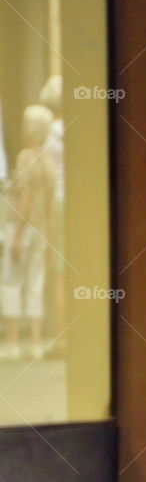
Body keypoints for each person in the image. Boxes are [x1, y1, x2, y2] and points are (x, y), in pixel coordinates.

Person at [0, 104, 56, 361]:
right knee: (36, 282)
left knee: (11, 281)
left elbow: (25, 195)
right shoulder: (48, 159)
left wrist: (17, 234)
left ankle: (12, 342)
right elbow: (50, 200)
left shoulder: (25, 157)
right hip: (42, 226)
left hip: (22, 226)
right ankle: (35, 341)